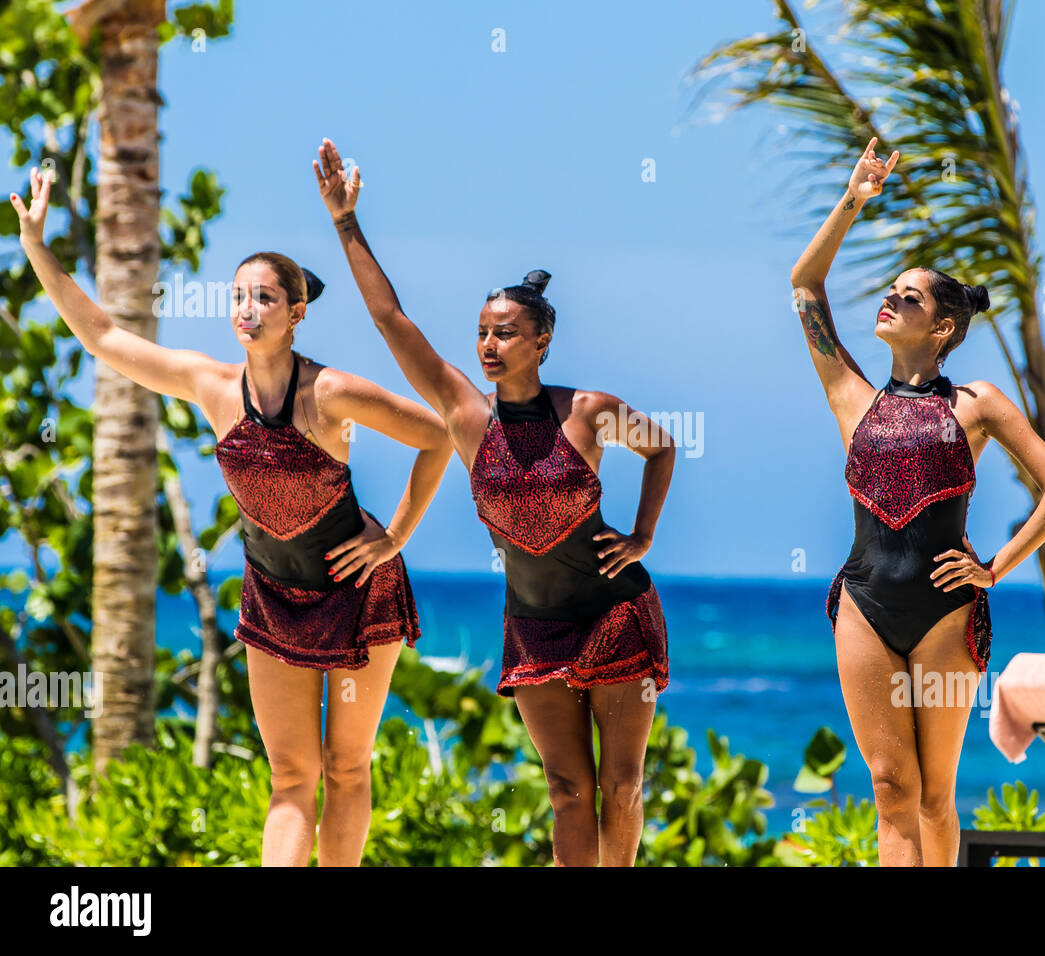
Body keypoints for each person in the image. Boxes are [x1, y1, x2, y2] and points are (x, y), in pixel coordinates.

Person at [11, 167, 454, 867]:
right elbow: (101, 336)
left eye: (266, 297)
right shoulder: (212, 386)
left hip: (355, 593)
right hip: (274, 595)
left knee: (344, 768)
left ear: (296, 312)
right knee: (289, 778)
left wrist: (394, 535)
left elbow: (436, 436)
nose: (248, 308)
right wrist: (36, 243)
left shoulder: (331, 393)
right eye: (239, 296)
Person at [313, 138, 673, 866]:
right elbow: (392, 321)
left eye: (504, 333)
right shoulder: (466, 416)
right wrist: (346, 222)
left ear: (540, 340)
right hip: (534, 623)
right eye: (480, 332)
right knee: (567, 791)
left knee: (621, 786)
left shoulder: (590, 410)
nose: (487, 344)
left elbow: (662, 445)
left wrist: (641, 535)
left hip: (615, 612)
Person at [790, 138, 1045, 866]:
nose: (890, 298)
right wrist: (854, 199)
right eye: (892, 289)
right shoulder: (852, 397)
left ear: (943, 328)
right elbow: (804, 287)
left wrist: (995, 568)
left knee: (932, 797)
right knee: (891, 787)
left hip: (946, 614)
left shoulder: (975, 403)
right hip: (864, 602)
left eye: (909, 296)